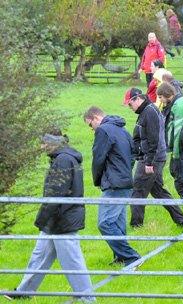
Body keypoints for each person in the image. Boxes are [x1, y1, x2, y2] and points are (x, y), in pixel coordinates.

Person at [5, 133, 95, 302]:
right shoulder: (63, 158)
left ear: (53, 142)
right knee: (38, 257)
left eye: (44, 143)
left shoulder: (63, 161)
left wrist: (41, 219)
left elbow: (55, 194)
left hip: (63, 219)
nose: (42, 147)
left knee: (72, 262)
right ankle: (24, 292)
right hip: (56, 219)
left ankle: (88, 299)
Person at [123, 88, 183, 228]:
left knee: (137, 191)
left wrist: (149, 162)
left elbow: (154, 139)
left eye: (130, 104)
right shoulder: (146, 111)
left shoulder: (149, 112)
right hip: (153, 157)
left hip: (150, 159)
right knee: (159, 192)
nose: (129, 108)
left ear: (137, 99)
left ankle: (136, 226)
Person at [83, 107, 141, 267]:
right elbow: (133, 155)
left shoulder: (103, 130)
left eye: (90, 125)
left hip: (114, 184)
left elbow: (98, 158)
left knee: (105, 223)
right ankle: (120, 257)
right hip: (126, 181)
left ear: (95, 117)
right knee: (118, 223)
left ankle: (131, 257)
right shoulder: (122, 129)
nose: (91, 129)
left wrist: (97, 180)